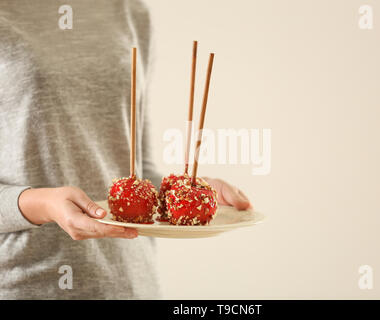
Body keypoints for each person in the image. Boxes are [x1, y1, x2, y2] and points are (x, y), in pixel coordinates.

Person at [0, 0, 251, 299]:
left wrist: (188, 192)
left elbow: (134, 166)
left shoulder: (129, 11)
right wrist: (41, 204)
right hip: (30, 283)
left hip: (131, 283)